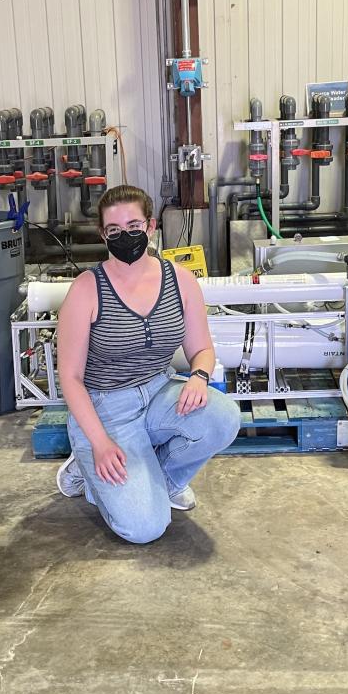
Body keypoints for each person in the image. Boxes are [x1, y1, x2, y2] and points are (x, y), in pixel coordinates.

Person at [54, 185, 241, 543]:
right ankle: (88, 467)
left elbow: (201, 349)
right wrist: (100, 442)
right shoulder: (86, 290)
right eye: (114, 230)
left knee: (223, 417)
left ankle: (164, 481)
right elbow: (72, 378)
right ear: (102, 234)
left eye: (134, 225)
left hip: (158, 389)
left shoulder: (180, 281)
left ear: (151, 226)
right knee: (144, 529)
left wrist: (199, 377)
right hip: (105, 406)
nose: (125, 235)